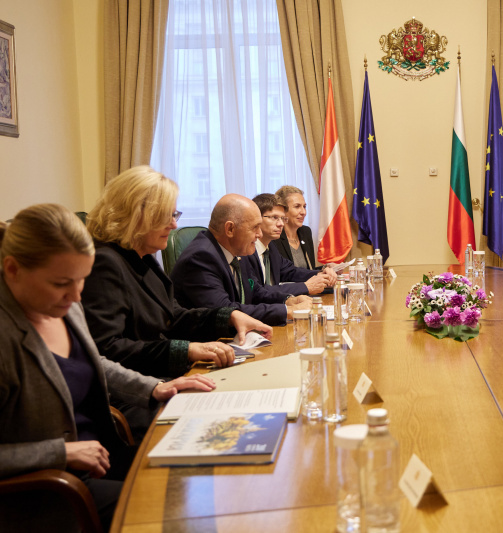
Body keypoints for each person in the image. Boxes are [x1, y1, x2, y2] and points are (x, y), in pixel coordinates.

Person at [0, 204, 215, 531]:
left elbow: (90, 362)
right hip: (47, 491)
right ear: (12, 269)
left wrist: (154, 387)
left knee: (202, 469)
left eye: (82, 280)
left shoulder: (63, 304)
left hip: (101, 457)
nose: (75, 297)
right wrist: (59, 453)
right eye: (61, 283)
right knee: (181, 509)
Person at [81, 166, 273, 380]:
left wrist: (229, 316)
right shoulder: (104, 263)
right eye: (167, 216)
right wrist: (186, 351)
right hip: (141, 390)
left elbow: (173, 316)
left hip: (163, 376)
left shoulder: (142, 257)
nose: (174, 225)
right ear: (136, 215)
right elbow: (108, 349)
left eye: (175, 215)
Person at [170, 194, 312, 325]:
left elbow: (256, 292)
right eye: (255, 227)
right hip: (210, 344)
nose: (259, 234)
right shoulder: (200, 258)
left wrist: (288, 300)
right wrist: (287, 311)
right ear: (230, 229)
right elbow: (226, 311)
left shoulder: (237, 250)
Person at [252, 193, 336, 291]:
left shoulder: (270, 247)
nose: (280, 224)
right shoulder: (247, 251)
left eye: (282, 219)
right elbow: (258, 292)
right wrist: (305, 286)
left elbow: (291, 271)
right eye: (274, 218)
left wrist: (321, 273)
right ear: (257, 219)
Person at [273, 185, 319, 269]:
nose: (303, 212)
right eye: (297, 206)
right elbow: (283, 274)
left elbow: (309, 270)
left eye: (304, 207)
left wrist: (326, 268)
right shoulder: (275, 236)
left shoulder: (305, 232)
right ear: (283, 210)